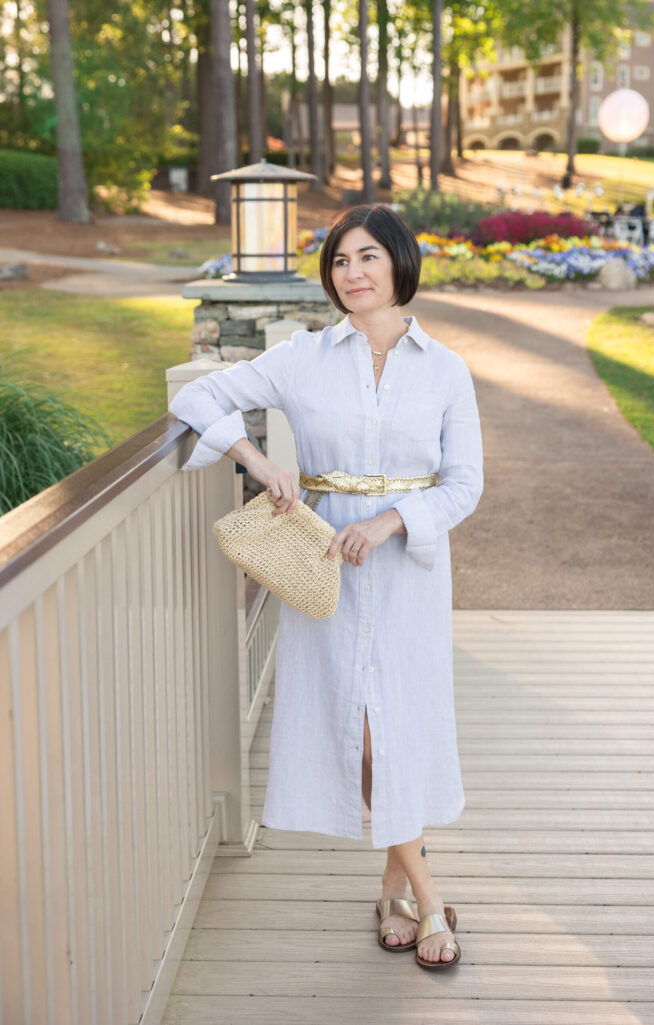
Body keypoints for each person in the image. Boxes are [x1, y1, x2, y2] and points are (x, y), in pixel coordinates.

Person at [168, 204, 483, 969]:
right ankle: (430, 896)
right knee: (364, 734)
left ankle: (394, 889)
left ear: (398, 264)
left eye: (368, 257)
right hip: (321, 572)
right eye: (340, 261)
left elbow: (464, 484)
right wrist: (257, 458)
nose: (352, 274)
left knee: (398, 729)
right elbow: (195, 398)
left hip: (406, 574)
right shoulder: (302, 357)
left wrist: (389, 523)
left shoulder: (445, 368)